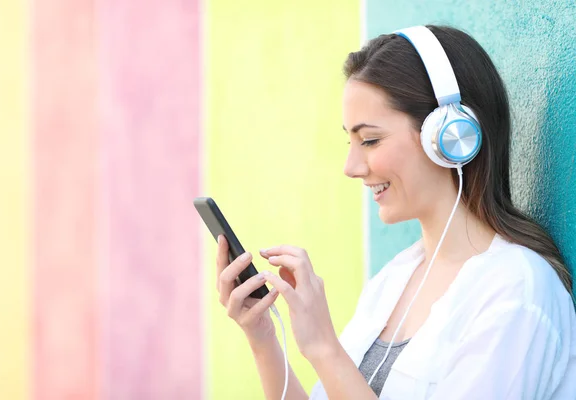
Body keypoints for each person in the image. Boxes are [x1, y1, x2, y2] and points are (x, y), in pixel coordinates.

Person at [214, 25, 576, 399]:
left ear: (450, 136)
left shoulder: (516, 290)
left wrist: (324, 348)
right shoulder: (395, 279)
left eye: (370, 140)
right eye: (350, 141)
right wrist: (263, 339)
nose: (351, 166)